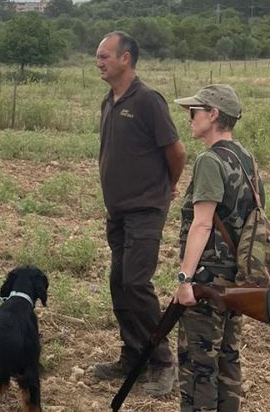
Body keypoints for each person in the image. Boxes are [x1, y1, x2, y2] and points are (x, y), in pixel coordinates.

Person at [91, 31, 187, 396]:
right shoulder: (108, 101)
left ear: (125, 58)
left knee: (136, 283)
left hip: (145, 209)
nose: (98, 62)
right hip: (117, 211)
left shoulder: (147, 100)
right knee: (119, 284)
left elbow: (176, 153)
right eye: (98, 57)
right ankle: (133, 355)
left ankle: (163, 362)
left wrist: (167, 188)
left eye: (104, 56)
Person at [172, 84, 261, 411]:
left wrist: (185, 281)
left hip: (207, 281)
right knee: (227, 359)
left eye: (195, 111)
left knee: (198, 365)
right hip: (236, 280)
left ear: (213, 115)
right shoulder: (246, 158)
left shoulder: (210, 161)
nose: (190, 117)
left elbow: (203, 223)